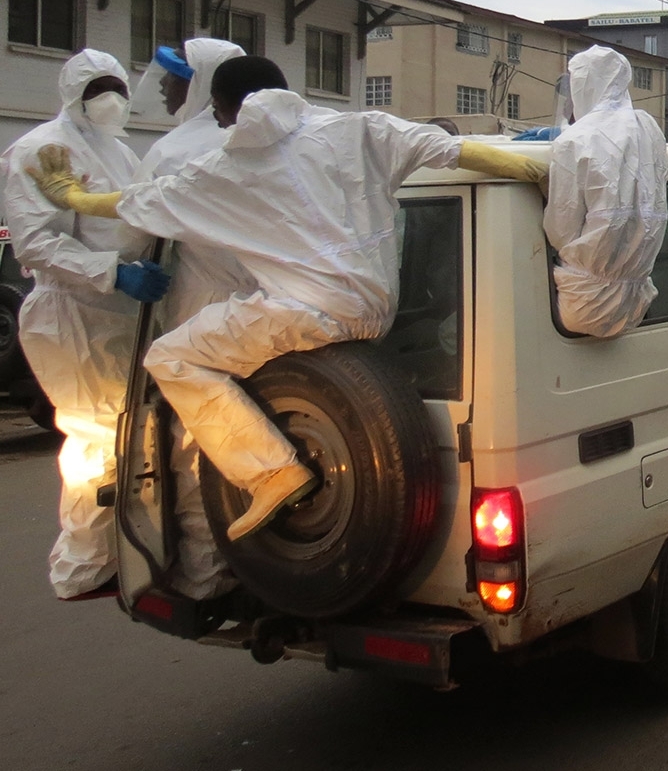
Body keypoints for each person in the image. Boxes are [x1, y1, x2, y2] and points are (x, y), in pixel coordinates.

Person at [26, 56, 548, 543]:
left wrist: (69, 195)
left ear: (224, 107)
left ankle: (273, 472)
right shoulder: (360, 128)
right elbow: (456, 151)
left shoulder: (226, 165)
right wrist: (538, 172)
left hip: (309, 314)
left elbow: (132, 204)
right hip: (377, 308)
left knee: (171, 357)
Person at [0, 49, 169, 600]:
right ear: (73, 91)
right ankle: (82, 565)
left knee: (129, 435)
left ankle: (120, 553)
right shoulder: (38, 150)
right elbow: (36, 243)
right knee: (96, 435)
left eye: (117, 84)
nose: (112, 96)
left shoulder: (120, 151)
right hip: (70, 311)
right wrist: (111, 271)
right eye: (98, 86)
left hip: (121, 313)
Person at [126, 38, 251, 600]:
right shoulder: (270, 142)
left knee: (198, 447)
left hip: (201, 312)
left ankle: (206, 579)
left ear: (203, 85)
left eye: (175, 77)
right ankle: (273, 568)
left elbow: (132, 232)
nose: (163, 85)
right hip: (272, 312)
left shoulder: (175, 152)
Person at [544, 45, 668, 338]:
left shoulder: (573, 140)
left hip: (584, 303)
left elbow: (561, 229)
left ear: (581, 85)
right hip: (636, 299)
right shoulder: (648, 128)